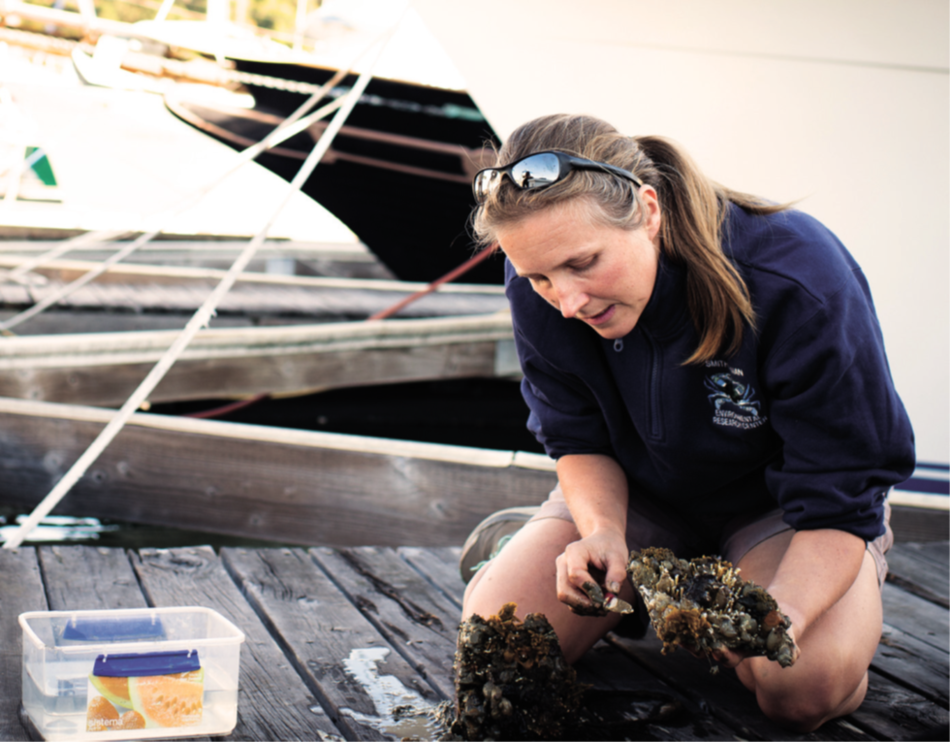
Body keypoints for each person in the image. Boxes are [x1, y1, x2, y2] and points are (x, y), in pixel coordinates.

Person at [460, 113, 915, 732]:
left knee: (801, 686)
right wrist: (598, 532)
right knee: (497, 649)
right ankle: (614, 576)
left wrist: (786, 609)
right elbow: (578, 439)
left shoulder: (796, 276)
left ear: (648, 211)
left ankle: (837, 593)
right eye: (539, 277)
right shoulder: (537, 275)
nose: (567, 302)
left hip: (785, 510)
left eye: (583, 263)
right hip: (638, 492)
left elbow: (841, 485)